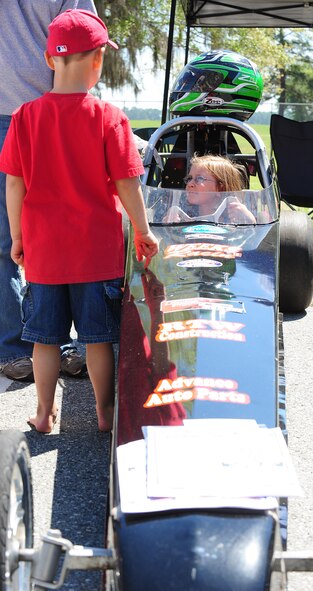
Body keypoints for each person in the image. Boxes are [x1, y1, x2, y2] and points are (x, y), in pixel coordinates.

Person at [0, 9, 159, 432]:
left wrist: (18, 238)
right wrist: (142, 231)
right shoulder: (110, 117)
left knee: (44, 340)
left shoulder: (24, 118)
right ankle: (105, 413)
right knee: (96, 341)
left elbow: (14, 187)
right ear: (98, 61)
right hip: (96, 253)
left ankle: (43, 412)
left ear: (50, 61)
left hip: (45, 252)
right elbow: (127, 184)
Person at [0, 0, 97, 382]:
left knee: (68, 232)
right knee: (6, 241)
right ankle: (13, 347)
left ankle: (72, 343)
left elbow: (84, 37)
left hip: (55, 111)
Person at [166, 154, 256, 223]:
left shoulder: (233, 218)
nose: (190, 184)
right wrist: (167, 224)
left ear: (220, 189)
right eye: (189, 178)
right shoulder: (181, 216)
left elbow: (251, 241)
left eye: (199, 179)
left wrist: (249, 221)